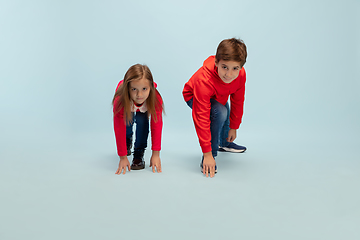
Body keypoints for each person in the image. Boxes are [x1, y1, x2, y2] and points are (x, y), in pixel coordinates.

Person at [182, 38, 247, 178]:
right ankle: (212, 152)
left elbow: (238, 100)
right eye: (224, 67)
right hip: (194, 96)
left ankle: (224, 142)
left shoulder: (240, 75)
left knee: (224, 107)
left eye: (235, 68)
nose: (229, 74)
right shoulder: (203, 80)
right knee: (220, 112)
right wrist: (207, 153)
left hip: (217, 95)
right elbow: (201, 117)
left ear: (241, 67)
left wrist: (233, 127)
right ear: (217, 62)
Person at [112, 64, 164, 175]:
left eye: (144, 89)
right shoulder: (120, 100)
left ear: (150, 87)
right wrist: (122, 157)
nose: (139, 95)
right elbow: (119, 128)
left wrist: (156, 154)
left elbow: (157, 126)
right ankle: (127, 142)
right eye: (134, 89)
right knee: (127, 124)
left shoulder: (155, 99)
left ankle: (139, 153)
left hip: (144, 110)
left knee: (142, 123)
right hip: (127, 105)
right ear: (127, 89)